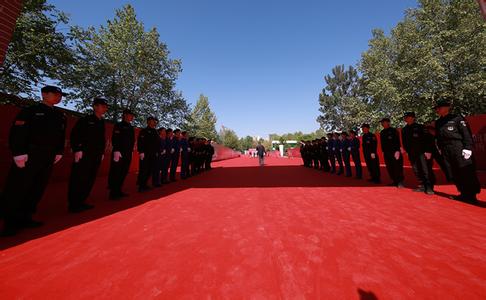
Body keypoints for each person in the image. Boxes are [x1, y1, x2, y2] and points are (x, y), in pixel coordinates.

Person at [1, 85, 67, 236]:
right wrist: (18, 153)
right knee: (18, 188)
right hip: (29, 155)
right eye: (55, 94)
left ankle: (26, 216)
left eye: (60, 95)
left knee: (37, 187)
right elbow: (18, 132)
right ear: (44, 94)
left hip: (48, 156)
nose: (59, 97)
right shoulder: (30, 111)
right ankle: (10, 222)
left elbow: (60, 137)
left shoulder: (60, 116)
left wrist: (59, 152)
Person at [434, 99, 481, 203]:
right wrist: (440, 148)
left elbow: (466, 134)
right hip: (446, 149)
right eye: (436, 108)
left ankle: (471, 195)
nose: (437, 110)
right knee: (453, 171)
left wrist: (467, 148)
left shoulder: (457, 118)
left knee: (465, 171)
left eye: (439, 107)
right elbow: (438, 137)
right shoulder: (438, 122)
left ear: (447, 107)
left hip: (458, 147)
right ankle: (463, 193)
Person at [67, 97, 108, 212]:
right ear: (95, 106)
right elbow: (75, 135)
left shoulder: (101, 122)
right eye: (102, 106)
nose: (105, 108)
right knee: (79, 178)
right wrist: (78, 149)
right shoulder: (85, 120)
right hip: (84, 154)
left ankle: (82, 201)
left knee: (89, 179)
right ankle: (74, 204)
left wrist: (101, 152)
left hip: (96, 155)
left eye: (106, 106)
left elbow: (101, 140)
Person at [402, 112, 435, 195]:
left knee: (425, 169)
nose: (406, 118)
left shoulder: (420, 127)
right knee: (416, 169)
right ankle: (422, 185)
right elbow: (404, 142)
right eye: (405, 117)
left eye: (408, 117)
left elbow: (428, 139)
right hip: (412, 153)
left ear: (413, 118)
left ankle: (429, 187)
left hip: (422, 152)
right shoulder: (404, 129)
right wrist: (407, 151)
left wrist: (428, 151)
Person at [108, 109, 135, 200]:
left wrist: (131, 151)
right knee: (116, 172)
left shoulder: (131, 127)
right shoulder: (119, 125)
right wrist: (116, 150)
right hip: (119, 153)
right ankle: (113, 192)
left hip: (127, 153)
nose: (132, 117)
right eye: (130, 115)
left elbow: (131, 141)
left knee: (123, 172)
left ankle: (118, 190)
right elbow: (115, 138)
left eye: (132, 115)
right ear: (125, 115)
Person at [379, 118, 404, 188]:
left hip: (394, 151)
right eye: (382, 122)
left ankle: (400, 181)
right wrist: (383, 151)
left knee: (397, 166)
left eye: (383, 122)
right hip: (387, 152)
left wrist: (397, 150)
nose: (382, 124)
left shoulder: (393, 130)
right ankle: (394, 180)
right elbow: (382, 143)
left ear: (388, 122)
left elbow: (397, 140)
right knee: (389, 167)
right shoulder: (382, 132)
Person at [137, 116, 159, 192]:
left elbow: (156, 143)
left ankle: (145, 184)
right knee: (144, 170)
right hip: (145, 154)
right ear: (149, 122)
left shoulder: (155, 131)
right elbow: (140, 142)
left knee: (149, 170)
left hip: (153, 154)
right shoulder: (144, 131)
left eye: (155, 121)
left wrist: (157, 152)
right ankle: (141, 186)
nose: (155, 122)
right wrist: (141, 151)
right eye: (153, 121)